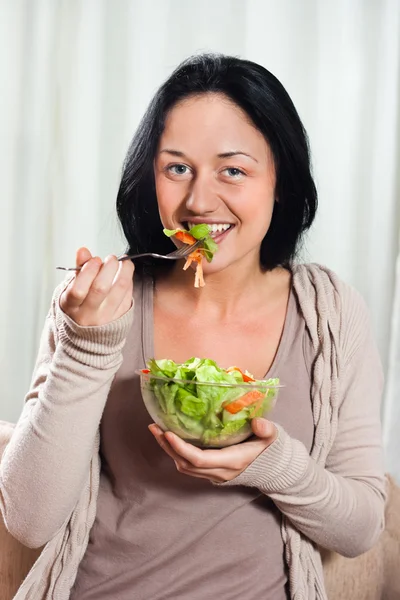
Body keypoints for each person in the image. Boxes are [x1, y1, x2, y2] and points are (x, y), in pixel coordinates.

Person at [0, 54, 386, 600]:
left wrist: (276, 468)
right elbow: (28, 519)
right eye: (177, 168)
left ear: (281, 180)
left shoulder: (329, 312)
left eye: (233, 169)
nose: (200, 202)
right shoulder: (100, 306)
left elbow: (363, 527)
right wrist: (85, 349)